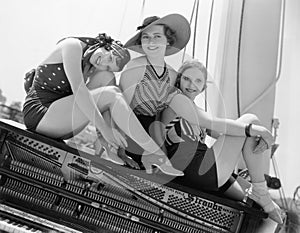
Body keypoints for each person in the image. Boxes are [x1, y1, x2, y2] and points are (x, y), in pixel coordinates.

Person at [22, 33, 182, 176]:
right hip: (41, 115)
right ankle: (153, 151)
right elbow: (79, 91)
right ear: (107, 45)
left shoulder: (92, 67)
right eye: (110, 57)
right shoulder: (72, 45)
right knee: (111, 94)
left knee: (106, 78)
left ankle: (111, 148)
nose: (103, 62)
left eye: (109, 64)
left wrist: (111, 139)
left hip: (62, 125)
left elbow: (98, 100)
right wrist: (105, 130)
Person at [160, 59, 284, 224]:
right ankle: (261, 189)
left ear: (204, 86)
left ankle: (261, 191)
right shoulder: (177, 101)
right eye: (186, 79)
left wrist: (255, 137)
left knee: (269, 213)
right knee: (250, 120)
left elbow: (227, 132)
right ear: (179, 79)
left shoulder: (194, 110)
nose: (191, 85)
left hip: (204, 172)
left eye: (198, 81)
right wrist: (256, 130)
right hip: (197, 169)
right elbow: (215, 123)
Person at [119, 13, 191, 167]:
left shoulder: (172, 74)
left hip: (154, 132)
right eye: (146, 37)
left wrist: (162, 149)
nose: (151, 41)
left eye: (157, 36)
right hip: (131, 128)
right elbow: (121, 109)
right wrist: (121, 152)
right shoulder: (135, 67)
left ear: (168, 41)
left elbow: (160, 116)